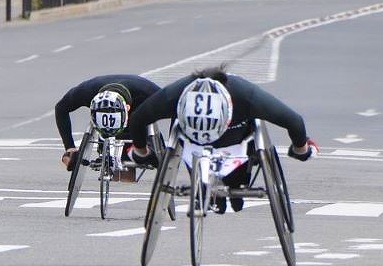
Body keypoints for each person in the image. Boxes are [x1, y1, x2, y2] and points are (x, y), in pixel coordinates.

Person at [128, 65, 318, 213]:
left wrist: (141, 153)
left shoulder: (245, 94)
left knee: (238, 177)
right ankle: (206, 186)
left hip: (235, 140)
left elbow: (293, 120)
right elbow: (138, 119)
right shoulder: (174, 95)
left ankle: (235, 186)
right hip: (193, 146)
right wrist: (301, 150)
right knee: (186, 147)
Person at [55, 75, 161, 171]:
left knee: (153, 155)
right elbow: (60, 108)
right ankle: (104, 149)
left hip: (139, 106)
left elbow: (175, 109)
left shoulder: (149, 92)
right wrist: (69, 147)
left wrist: (171, 149)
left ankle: (140, 148)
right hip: (103, 95)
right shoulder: (85, 92)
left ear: (127, 108)